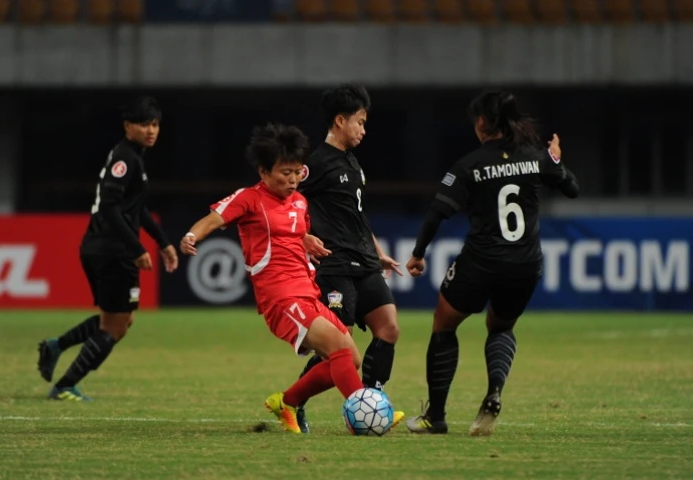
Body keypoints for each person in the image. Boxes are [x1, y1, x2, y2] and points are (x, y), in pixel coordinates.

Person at [405, 90, 579, 436]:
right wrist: (555, 160)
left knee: (444, 323)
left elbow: (437, 213)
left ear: (482, 122)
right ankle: (494, 392)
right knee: (500, 327)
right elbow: (572, 188)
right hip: (525, 264)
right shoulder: (535, 157)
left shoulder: (469, 165)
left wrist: (418, 253)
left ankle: (436, 416)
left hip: (481, 261)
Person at [179, 123, 369, 434]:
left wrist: (305, 239)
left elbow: (291, 232)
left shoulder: (299, 202)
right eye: (285, 173)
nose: (293, 179)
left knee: (351, 357)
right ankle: (365, 414)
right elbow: (214, 219)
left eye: (297, 172)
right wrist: (191, 236)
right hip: (281, 298)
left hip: (308, 293)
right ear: (264, 172)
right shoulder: (249, 199)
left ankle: (287, 402)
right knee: (338, 349)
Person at [37, 96, 179, 401]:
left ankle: (55, 346)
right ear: (128, 126)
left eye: (155, 124)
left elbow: (134, 208)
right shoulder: (125, 159)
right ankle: (64, 386)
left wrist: (162, 241)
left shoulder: (131, 156)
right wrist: (136, 248)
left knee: (120, 319)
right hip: (112, 249)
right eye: (144, 124)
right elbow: (109, 208)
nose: (151, 130)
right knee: (115, 326)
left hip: (103, 246)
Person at [293, 83, 404, 433]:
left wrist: (378, 253)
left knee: (389, 328)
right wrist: (303, 236)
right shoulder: (315, 164)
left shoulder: (352, 163)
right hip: (335, 264)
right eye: (360, 122)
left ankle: (372, 401)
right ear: (340, 121)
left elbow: (356, 215)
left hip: (365, 262)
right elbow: (287, 201)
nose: (363, 130)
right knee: (339, 350)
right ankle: (294, 401)